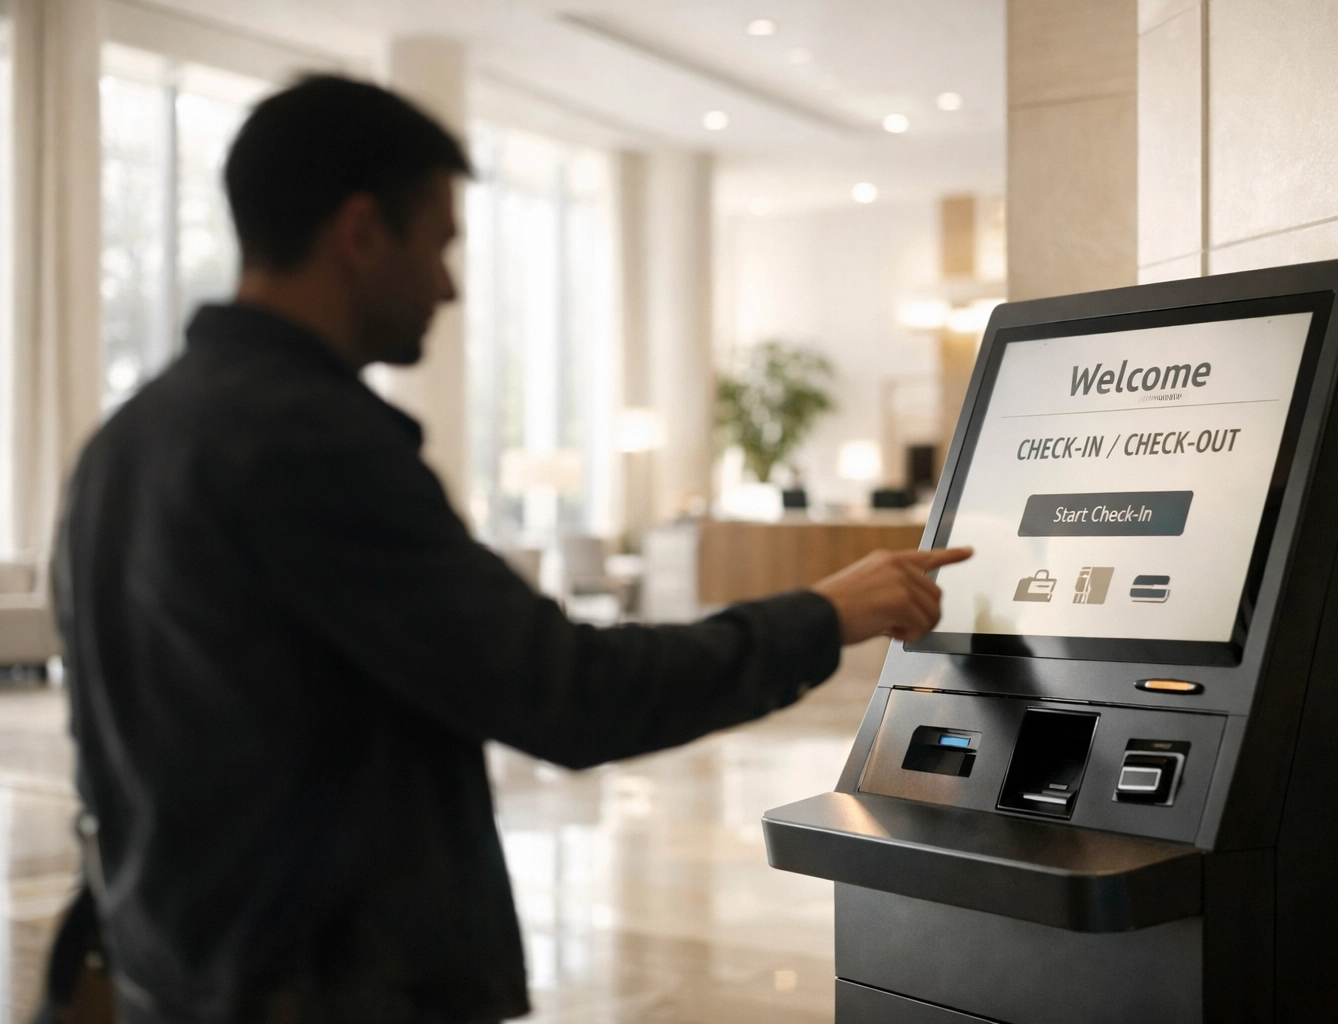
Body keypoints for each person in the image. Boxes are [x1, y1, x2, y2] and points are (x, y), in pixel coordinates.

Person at [49, 75, 971, 1023]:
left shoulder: (126, 442)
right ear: (361, 234)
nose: (449, 286)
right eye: (441, 244)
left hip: (171, 970)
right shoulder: (308, 444)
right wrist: (824, 615)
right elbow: (564, 691)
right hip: (323, 989)